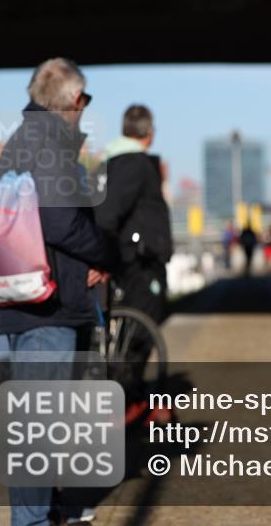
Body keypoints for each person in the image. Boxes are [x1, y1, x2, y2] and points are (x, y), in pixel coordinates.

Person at [0, 58, 118, 526]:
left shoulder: (26, 139)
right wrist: (105, 254)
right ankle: (34, 520)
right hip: (48, 305)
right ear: (70, 101)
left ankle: (46, 510)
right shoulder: (46, 144)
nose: (84, 109)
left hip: (33, 297)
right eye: (83, 100)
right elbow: (62, 221)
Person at [94, 104, 174, 423]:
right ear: (150, 133)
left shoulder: (111, 161)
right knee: (138, 331)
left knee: (134, 332)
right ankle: (129, 401)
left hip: (132, 258)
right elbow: (108, 214)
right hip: (139, 261)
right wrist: (108, 255)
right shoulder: (134, 164)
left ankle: (135, 398)